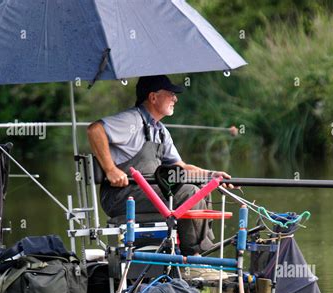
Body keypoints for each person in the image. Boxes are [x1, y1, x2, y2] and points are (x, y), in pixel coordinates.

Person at [87, 75, 232, 257]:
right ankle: (193, 258)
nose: (175, 99)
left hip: (146, 190)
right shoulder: (132, 120)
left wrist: (213, 176)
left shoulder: (161, 131)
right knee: (189, 192)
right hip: (121, 195)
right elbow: (95, 130)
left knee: (202, 187)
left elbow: (182, 167)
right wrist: (110, 169)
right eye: (171, 94)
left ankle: (197, 253)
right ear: (153, 97)